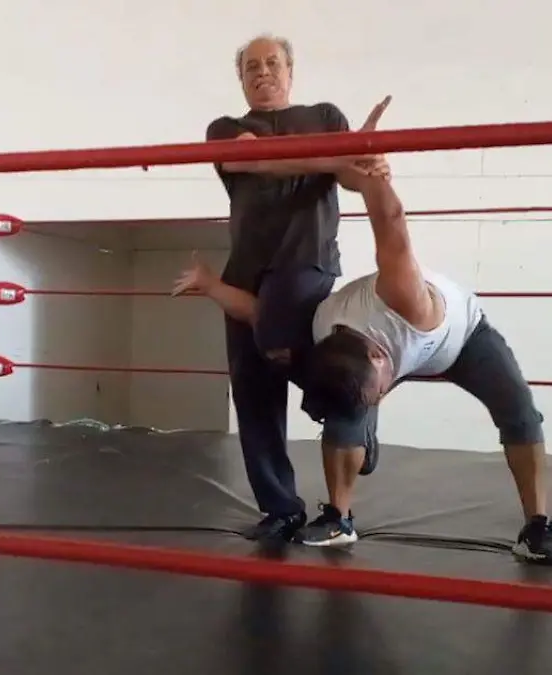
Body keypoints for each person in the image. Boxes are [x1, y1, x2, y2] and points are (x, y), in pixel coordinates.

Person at [177, 33, 388, 545]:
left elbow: (354, 179)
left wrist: (369, 164)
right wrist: (335, 159)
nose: (262, 72)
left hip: (304, 263)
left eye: (272, 63)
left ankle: (354, 406)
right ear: (241, 78)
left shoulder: (325, 116)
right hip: (246, 270)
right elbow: (252, 160)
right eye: (251, 66)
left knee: (294, 349)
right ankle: (281, 508)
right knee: (253, 393)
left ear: (290, 71)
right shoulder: (224, 128)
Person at [297, 171, 552, 566]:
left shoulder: (404, 298)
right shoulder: (325, 333)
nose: (381, 398)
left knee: (520, 412)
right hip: (381, 354)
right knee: (343, 411)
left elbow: (391, 223)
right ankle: (339, 518)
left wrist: (369, 179)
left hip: (460, 338)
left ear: (379, 357)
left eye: (380, 392)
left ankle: (537, 527)